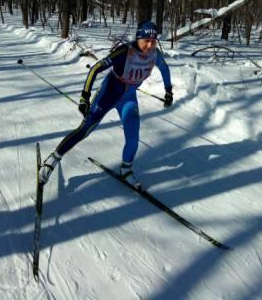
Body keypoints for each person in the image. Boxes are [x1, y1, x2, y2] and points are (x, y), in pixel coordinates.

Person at [39, 20, 173, 189]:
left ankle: (126, 169)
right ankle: (52, 160)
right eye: (146, 41)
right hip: (109, 94)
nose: (150, 45)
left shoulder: (156, 55)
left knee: (133, 137)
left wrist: (169, 91)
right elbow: (95, 69)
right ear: (138, 38)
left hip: (129, 98)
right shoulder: (125, 52)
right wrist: (84, 97)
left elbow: (165, 69)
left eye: (153, 42)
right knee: (85, 129)